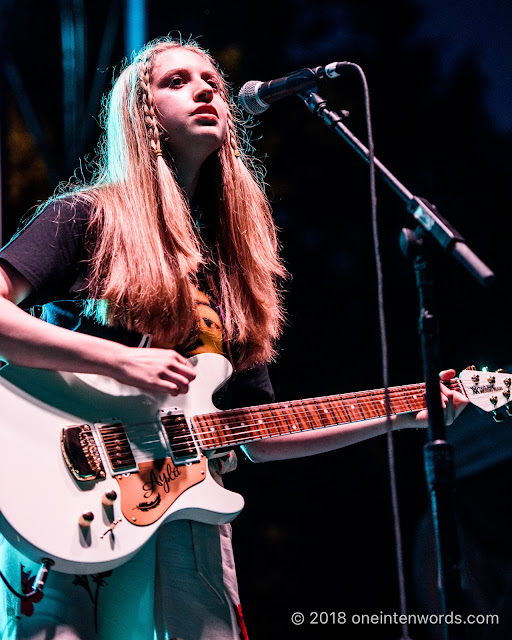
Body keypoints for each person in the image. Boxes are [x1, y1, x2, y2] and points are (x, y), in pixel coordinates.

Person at [0, 36, 467, 640]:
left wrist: (404, 413)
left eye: (212, 82)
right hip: (65, 506)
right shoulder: (86, 217)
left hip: (189, 522)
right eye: (177, 82)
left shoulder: (230, 267)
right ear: (142, 117)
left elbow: (258, 433)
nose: (204, 90)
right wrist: (118, 360)